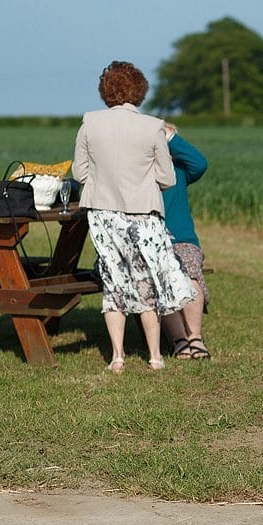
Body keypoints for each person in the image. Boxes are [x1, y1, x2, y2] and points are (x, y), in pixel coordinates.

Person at [73, 61, 196, 373]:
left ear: (105, 92)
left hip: (103, 216)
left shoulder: (90, 122)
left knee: (113, 282)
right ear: (139, 91)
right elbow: (167, 178)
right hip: (142, 216)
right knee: (147, 285)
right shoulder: (152, 126)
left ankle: (117, 356)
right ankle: (155, 356)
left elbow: (79, 172)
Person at [160, 123, 211, 360]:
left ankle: (195, 337)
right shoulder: (145, 171)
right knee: (162, 280)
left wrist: (171, 138)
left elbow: (200, 163)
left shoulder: (179, 170)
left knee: (189, 273)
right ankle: (179, 340)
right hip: (156, 241)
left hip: (183, 240)